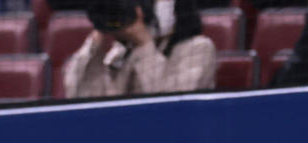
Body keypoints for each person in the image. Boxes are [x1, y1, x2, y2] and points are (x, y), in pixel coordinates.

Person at [63, 0, 216, 98]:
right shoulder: (120, 52)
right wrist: (99, 35)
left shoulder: (198, 48)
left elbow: (168, 106)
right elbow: (78, 96)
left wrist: (145, 43)